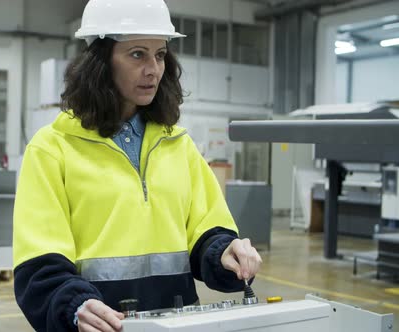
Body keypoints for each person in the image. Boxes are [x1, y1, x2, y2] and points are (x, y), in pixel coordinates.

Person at [13, 0, 262, 331]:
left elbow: (205, 230)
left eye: (160, 55)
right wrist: (75, 306)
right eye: (137, 54)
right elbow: (39, 264)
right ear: (101, 61)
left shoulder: (178, 145)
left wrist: (226, 254)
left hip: (178, 324)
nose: (153, 69)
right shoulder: (51, 149)